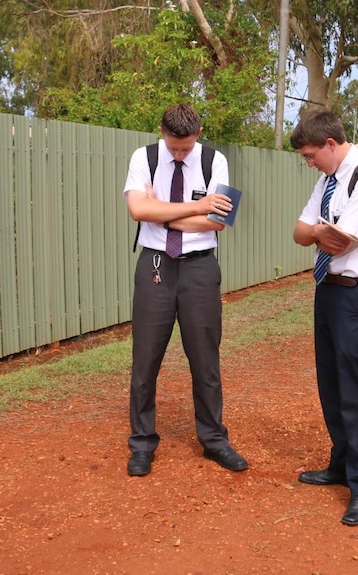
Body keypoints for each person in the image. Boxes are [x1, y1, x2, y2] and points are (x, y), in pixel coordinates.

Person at [122, 103, 248, 476]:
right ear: (160, 130)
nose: (180, 153)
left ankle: (214, 440)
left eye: (186, 148)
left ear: (199, 132)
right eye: (174, 147)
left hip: (200, 268)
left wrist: (159, 210)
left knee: (205, 358)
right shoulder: (142, 158)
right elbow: (136, 212)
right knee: (145, 360)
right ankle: (142, 443)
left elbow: (220, 222)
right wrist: (195, 208)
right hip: (156, 265)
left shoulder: (215, 161)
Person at [291, 109, 358, 526]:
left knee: (356, 389)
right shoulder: (329, 179)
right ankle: (340, 464)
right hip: (328, 293)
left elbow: (337, 243)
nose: (309, 162)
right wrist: (319, 230)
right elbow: (302, 233)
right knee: (330, 383)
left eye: (312, 155)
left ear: (331, 144)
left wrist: (318, 231)